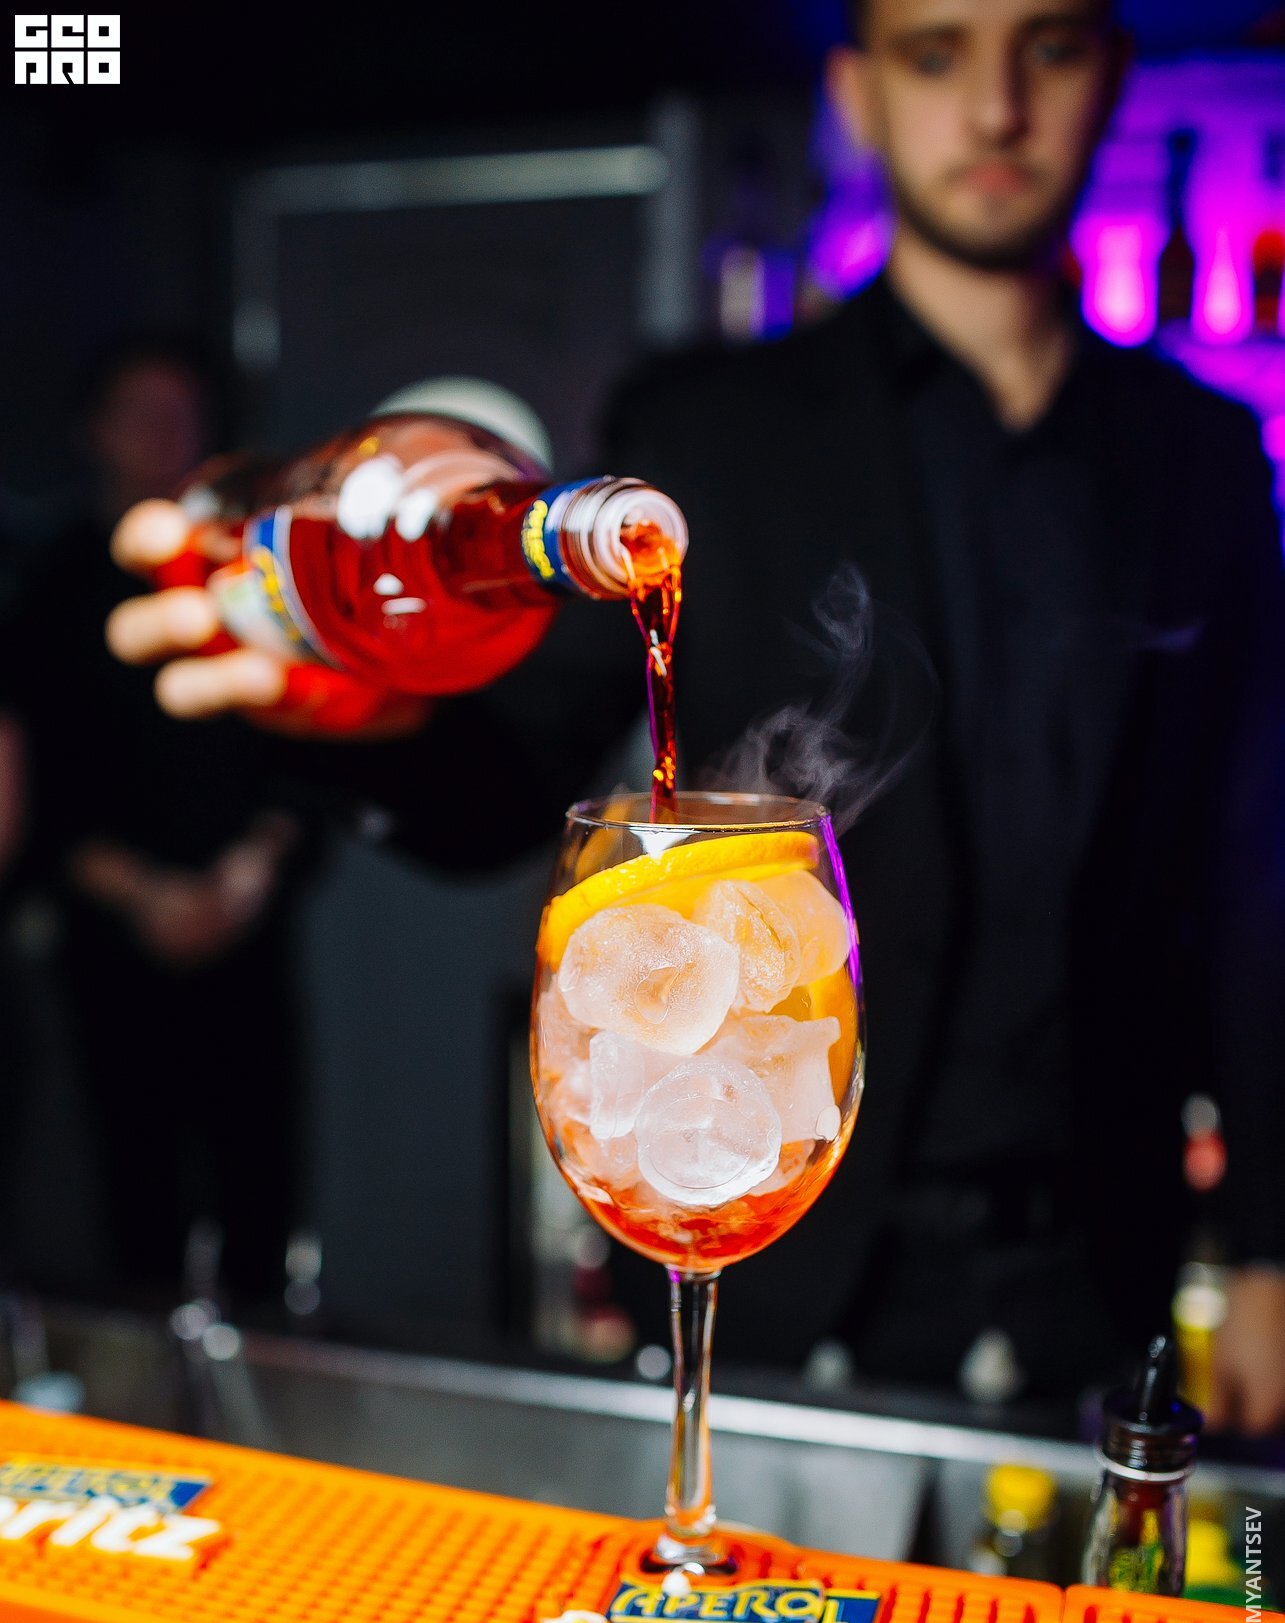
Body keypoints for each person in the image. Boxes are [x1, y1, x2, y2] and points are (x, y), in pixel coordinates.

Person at [104, 0, 1285, 1429]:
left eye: (1045, 47)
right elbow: (512, 776)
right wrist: (369, 722)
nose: (992, 109)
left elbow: (1256, 872)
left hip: (1101, 1260)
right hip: (768, 1248)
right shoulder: (709, 428)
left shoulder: (1204, 457)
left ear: (1112, 77)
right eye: (935, 52)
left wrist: (1270, 1243)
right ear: (855, 92)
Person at [0, 337, 310, 1307]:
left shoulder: (257, 573)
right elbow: (36, 788)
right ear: (96, 431)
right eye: (142, 415)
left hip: (247, 923)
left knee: (261, 1185)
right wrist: (141, 895)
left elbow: (306, 762)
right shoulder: (50, 587)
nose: (165, 437)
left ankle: (263, 1376)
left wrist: (249, 874)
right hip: (111, 935)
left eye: (183, 416)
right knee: (130, 1199)